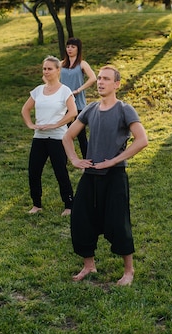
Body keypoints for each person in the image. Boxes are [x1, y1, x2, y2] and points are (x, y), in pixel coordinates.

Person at [62, 65, 148, 286]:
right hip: (90, 175)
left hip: (115, 176)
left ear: (116, 84)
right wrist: (74, 159)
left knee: (118, 223)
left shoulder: (124, 110)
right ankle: (89, 265)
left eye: (106, 79)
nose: (100, 82)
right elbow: (68, 137)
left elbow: (142, 140)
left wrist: (114, 160)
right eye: (99, 78)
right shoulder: (90, 109)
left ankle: (128, 271)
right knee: (81, 219)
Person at [21, 56, 77, 216]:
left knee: (61, 171)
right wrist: (31, 125)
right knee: (34, 171)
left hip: (58, 138)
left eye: (49, 68)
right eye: (44, 68)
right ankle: (36, 205)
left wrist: (55, 124)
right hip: (39, 137)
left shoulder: (64, 90)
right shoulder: (38, 91)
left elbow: (73, 113)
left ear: (58, 70)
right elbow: (25, 110)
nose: (46, 71)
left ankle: (69, 205)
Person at [61, 37, 97, 158]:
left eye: (73, 47)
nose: (70, 49)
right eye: (68, 46)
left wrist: (78, 90)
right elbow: (47, 76)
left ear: (78, 49)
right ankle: (63, 159)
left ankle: (87, 160)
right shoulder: (61, 64)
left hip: (78, 105)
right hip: (63, 105)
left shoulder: (82, 64)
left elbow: (93, 78)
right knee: (63, 134)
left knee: (81, 135)